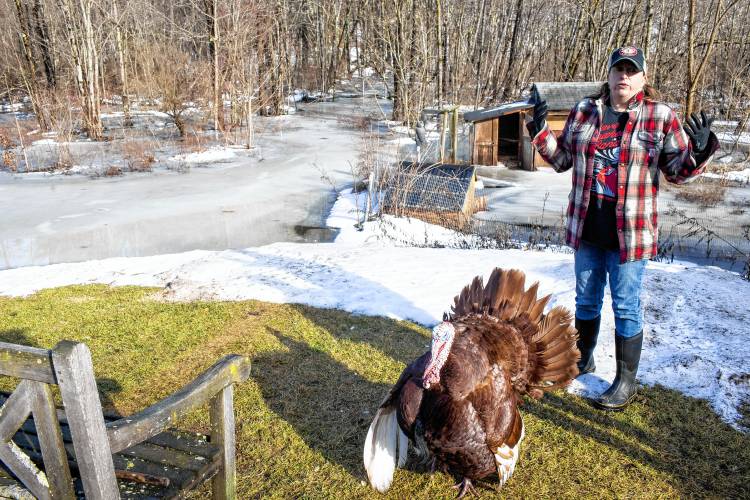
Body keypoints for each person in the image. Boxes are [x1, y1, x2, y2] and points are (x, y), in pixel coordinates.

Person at [526, 46, 719, 410]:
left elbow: (677, 171)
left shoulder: (659, 116)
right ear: (610, 74)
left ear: (644, 78)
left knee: (627, 306)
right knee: (586, 299)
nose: (624, 77)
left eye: (632, 71)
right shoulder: (586, 110)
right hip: (588, 228)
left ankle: (626, 382)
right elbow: (562, 159)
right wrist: (540, 132)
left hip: (630, 234)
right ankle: (584, 359)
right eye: (619, 70)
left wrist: (702, 148)